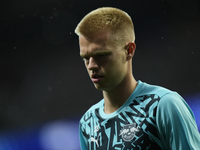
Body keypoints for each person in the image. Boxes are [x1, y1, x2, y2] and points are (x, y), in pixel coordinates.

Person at [74, 7, 200, 150]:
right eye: (85, 58)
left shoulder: (163, 106)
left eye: (101, 55)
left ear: (129, 51)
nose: (91, 66)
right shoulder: (88, 122)